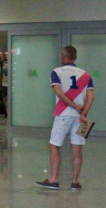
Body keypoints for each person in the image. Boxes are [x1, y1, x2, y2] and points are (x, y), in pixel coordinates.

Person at [37, 46, 94, 191]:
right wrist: (83, 112)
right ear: (75, 57)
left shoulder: (56, 72)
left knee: (54, 145)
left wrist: (74, 106)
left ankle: (54, 179)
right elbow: (91, 97)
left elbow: (59, 93)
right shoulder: (86, 75)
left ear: (63, 57)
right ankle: (75, 182)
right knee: (77, 149)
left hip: (62, 114)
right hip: (80, 118)